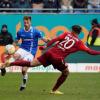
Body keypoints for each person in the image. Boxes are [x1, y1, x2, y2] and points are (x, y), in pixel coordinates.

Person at [1, 25, 100, 94]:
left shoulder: (66, 34)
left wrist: (45, 47)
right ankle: (54, 90)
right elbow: (90, 52)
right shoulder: (79, 43)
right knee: (66, 72)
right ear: (79, 32)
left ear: (72, 30)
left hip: (49, 53)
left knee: (31, 63)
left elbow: (54, 40)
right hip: (57, 58)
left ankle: (10, 64)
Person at [12, 16, 48, 91]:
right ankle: (4, 67)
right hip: (22, 49)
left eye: (27, 22)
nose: (26, 24)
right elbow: (16, 41)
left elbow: (44, 39)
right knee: (15, 56)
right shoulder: (20, 31)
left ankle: (24, 81)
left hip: (31, 52)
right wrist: (11, 48)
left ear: (30, 22)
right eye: (24, 22)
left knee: (24, 70)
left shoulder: (35, 31)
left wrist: (52, 41)